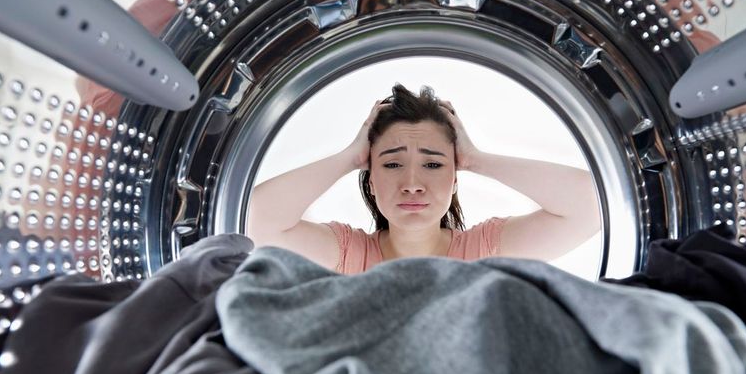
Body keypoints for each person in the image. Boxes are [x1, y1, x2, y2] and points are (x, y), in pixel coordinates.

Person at [247, 84, 600, 274]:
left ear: (455, 178)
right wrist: (349, 158)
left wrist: (477, 160)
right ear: (370, 180)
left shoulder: (483, 252)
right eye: (392, 165)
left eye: (432, 166)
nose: (412, 183)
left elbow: (592, 206)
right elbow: (256, 221)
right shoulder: (349, 255)